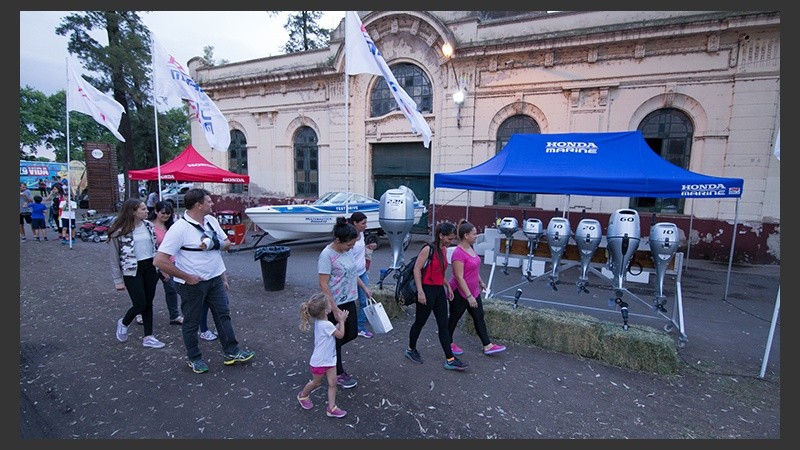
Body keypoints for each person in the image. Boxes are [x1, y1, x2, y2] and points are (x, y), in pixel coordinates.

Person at [154, 188, 255, 374]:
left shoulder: (211, 221)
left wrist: (214, 245)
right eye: (208, 201)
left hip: (214, 279)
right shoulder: (180, 228)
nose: (212, 204)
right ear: (198, 205)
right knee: (191, 322)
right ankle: (194, 358)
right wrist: (187, 277)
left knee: (223, 315)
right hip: (192, 284)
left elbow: (227, 244)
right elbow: (159, 260)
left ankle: (232, 352)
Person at [404, 221, 469, 371]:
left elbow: (439, 271)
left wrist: (447, 285)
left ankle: (450, 359)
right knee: (420, 322)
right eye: (450, 238)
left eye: (453, 239)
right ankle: (410, 349)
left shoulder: (444, 250)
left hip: (439, 291)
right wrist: (420, 291)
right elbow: (416, 269)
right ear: (441, 235)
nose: (451, 241)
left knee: (443, 325)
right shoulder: (428, 249)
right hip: (427, 290)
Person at [318, 217, 372, 389]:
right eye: (349, 245)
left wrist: (364, 288)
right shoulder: (327, 255)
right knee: (337, 338)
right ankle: (337, 371)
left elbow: (353, 273)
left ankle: (327, 356)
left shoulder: (346, 251)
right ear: (337, 240)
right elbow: (323, 284)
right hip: (334, 302)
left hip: (349, 299)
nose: (351, 248)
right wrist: (333, 308)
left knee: (351, 333)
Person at [108, 199, 166, 349]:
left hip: (150, 267)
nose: (147, 211)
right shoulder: (119, 230)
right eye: (143, 209)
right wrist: (117, 280)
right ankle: (124, 322)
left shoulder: (149, 226)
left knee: (149, 302)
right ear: (133, 211)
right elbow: (114, 257)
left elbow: (155, 248)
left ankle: (148, 336)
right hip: (132, 269)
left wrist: (161, 268)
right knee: (140, 302)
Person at [448, 220, 507, 356]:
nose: (476, 236)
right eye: (474, 234)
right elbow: (459, 276)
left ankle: (487, 345)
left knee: (479, 317)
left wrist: (480, 281)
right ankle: (448, 343)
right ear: (466, 235)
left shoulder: (471, 248)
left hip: (473, 291)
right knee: (454, 318)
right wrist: (469, 296)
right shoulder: (458, 253)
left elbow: (473, 268)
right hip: (460, 292)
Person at [296, 292, 349, 418]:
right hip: (320, 362)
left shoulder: (322, 324)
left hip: (329, 359)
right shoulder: (326, 325)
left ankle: (332, 407)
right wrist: (342, 321)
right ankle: (303, 395)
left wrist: (340, 323)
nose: (332, 304)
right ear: (326, 310)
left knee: (333, 382)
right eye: (329, 303)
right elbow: (340, 335)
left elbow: (333, 332)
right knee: (316, 383)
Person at [146, 201, 184, 325]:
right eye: (163, 213)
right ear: (156, 212)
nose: (166, 216)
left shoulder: (171, 226)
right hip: (155, 263)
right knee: (149, 291)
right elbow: (150, 247)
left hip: (171, 261)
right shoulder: (149, 226)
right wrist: (161, 269)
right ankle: (142, 313)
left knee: (172, 289)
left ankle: (174, 315)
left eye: (168, 213)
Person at [347, 212, 378, 339]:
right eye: (363, 223)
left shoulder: (361, 234)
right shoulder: (348, 238)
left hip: (362, 272)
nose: (366, 225)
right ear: (355, 223)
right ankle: (346, 326)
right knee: (349, 302)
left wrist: (368, 247)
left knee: (364, 301)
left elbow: (360, 250)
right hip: (351, 275)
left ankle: (360, 327)